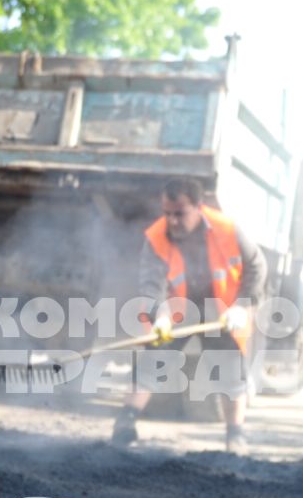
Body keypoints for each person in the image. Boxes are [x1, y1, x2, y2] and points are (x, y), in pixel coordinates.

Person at [113, 178, 265, 454]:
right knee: (152, 361)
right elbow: (150, 284)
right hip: (178, 310)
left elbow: (256, 266)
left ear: (198, 207)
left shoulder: (226, 229)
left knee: (230, 369)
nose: (171, 220)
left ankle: (235, 436)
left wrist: (243, 306)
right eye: (167, 213)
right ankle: (125, 424)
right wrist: (159, 316)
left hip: (222, 311)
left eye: (179, 213)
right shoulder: (156, 238)